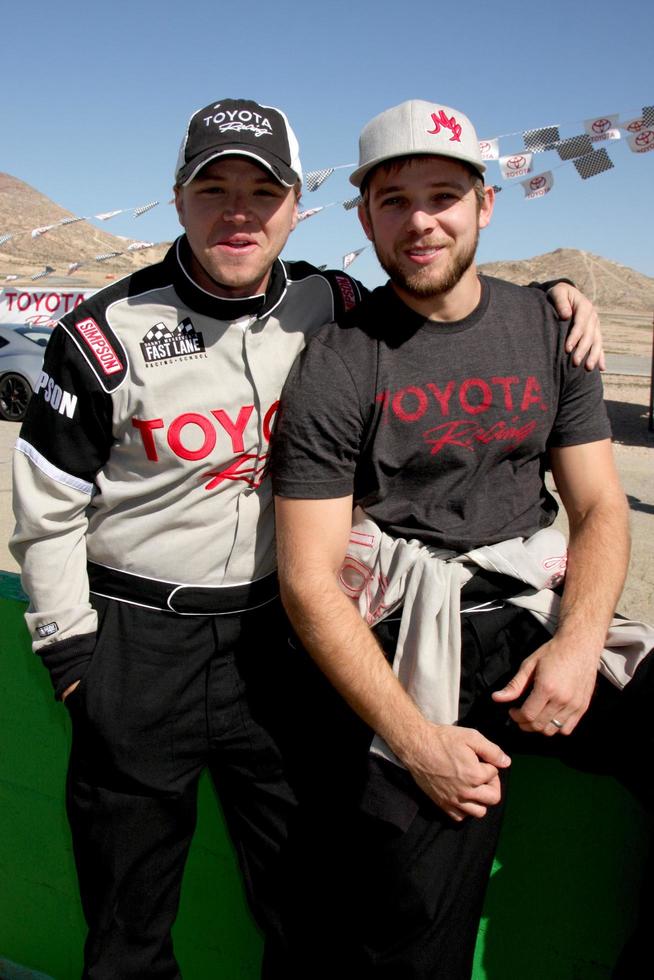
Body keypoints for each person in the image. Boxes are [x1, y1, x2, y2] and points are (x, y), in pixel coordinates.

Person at [10, 95, 602, 980]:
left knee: (308, 902)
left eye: (264, 190)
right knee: (128, 915)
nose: (238, 212)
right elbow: (47, 507)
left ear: (300, 206)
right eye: (214, 190)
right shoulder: (101, 335)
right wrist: (74, 660)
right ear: (179, 200)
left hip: (282, 646)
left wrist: (556, 297)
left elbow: (442, 293)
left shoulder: (336, 304)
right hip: (140, 641)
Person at [272, 99, 654, 979]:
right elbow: (310, 581)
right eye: (394, 201)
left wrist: (580, 640)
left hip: (537, 616)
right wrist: (416, 742)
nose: (421, 222)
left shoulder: (549, 329)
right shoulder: (338, 361)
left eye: (443, 196)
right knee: (408, 930)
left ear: (486, 205)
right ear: (365, 216)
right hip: (411, 641)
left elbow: (598, 507)